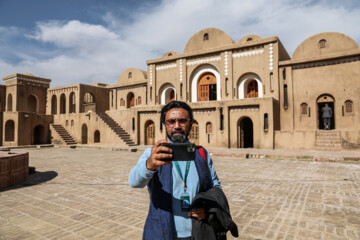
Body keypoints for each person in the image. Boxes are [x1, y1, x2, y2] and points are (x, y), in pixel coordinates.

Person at [129, 101, 221, 240]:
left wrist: (207, 209)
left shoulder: (201, 154)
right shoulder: (153, 153)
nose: (177, 126)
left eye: (182, 121)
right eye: (171, 121)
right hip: (162, 232)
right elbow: (134, 182)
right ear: (165, 125)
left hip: (198, 233)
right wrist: (150, 165)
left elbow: (214, 186)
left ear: (190, 123)